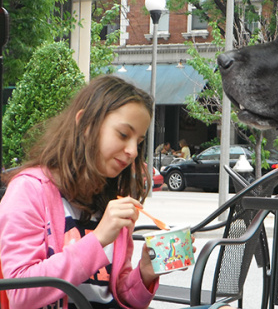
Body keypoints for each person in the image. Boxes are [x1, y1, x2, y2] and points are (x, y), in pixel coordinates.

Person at [0, 75, 231, 309]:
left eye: (138, 141)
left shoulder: (112, 198)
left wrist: (144, 273)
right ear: (85, 125)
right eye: (123, 135)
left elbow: (122, 297)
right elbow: (20, 294)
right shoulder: (29, 191)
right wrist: (98, 239)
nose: (132, 151)